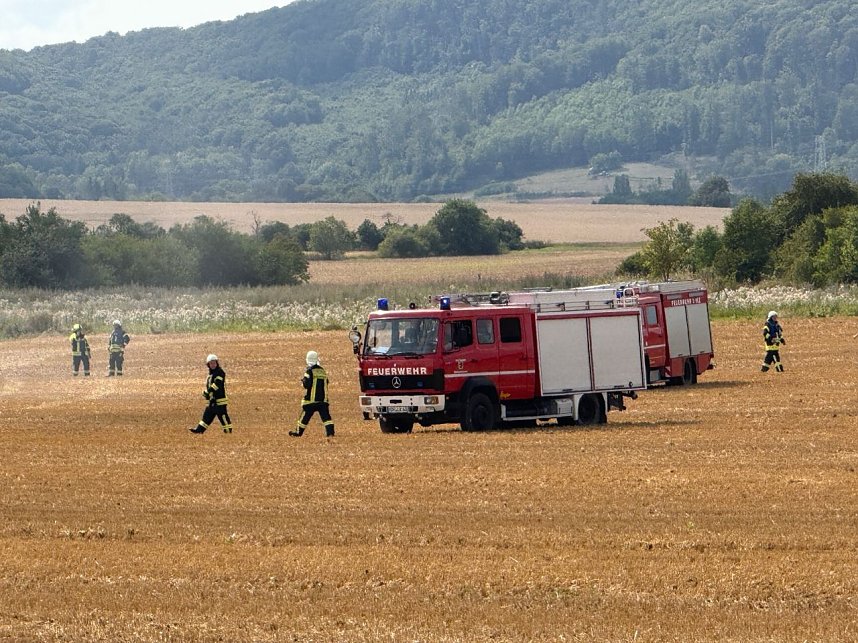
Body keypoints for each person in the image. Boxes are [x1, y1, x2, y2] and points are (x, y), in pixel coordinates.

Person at [290, 350, 335, 437]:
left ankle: (298, 432)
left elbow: (306, 384)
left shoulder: (309, 371)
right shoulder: (322, 371)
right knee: (326, 418)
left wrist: (303, 381)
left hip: (311, 401)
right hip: (323, 401)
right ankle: (330, 433)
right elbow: (327, 382)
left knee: (304, 418)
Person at [190, 354, 233, 434]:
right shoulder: (211, 374)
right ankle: (199, 430)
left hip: (220, 401)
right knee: (206, 417)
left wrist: (207, 392)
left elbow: (217, 385)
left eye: (214, 363)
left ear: (217, 363)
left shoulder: (220, 372)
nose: (213, 365)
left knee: (223, 417)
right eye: (211, 363)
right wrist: (208, 395)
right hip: (212, 401)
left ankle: (228, 432)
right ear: (208, 365)